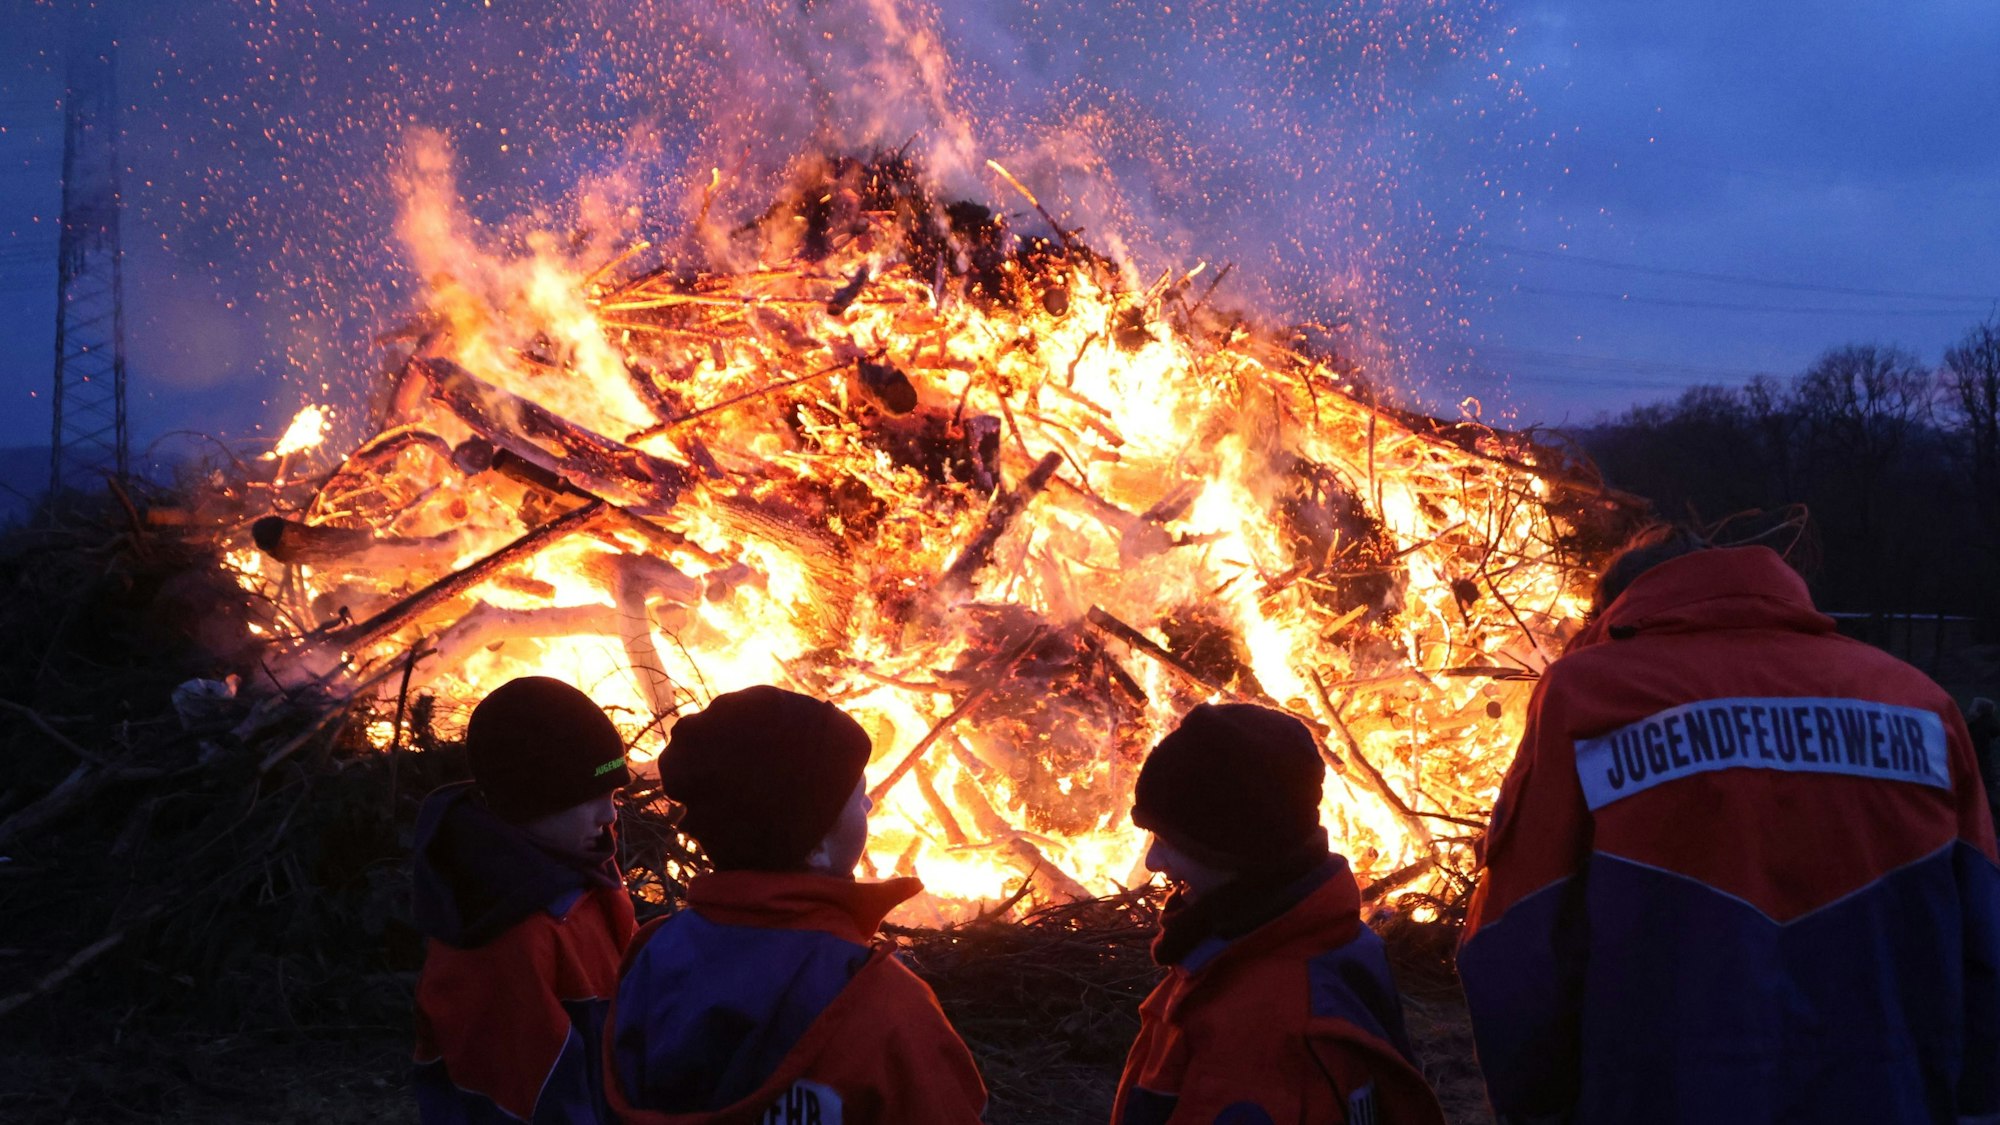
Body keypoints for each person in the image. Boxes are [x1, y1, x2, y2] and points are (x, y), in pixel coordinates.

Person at [1458, 525, 2000, 1124]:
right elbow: (1985, 935)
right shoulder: (1921, 704)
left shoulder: (1588, 694)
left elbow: (1518, 941)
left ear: (1619, 605)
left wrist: (1536, 1107)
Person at [605, 684, 987, 1124]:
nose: (868, 802)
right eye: (856, 795)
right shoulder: (882, 1002)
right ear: (815, 847)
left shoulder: (653, 956)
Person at [1112, 702, 1446, 1125]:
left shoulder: (1260, 1029)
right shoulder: (1286, 942)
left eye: (1168, 840)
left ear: (1236, 847)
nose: (1154, 861)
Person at [409, 675, 636, 1125]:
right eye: (590, 798)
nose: (610, 815)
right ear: (532, 801)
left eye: (613, 795)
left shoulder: (586, 876)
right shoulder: (502, 938)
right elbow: (522, 1101)